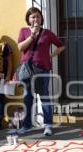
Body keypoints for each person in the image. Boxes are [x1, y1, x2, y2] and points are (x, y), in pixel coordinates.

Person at [17, 7, 65, 136]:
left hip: (43, 69)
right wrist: (32, 36)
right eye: (32, 17)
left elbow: (61, 45)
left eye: (38, 16)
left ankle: (48, 125)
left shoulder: (47, 33)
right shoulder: (24, 31)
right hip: (27, 70)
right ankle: (26, 125)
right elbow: (20, 47)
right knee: (27, 98)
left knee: (44, 97)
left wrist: (51, 55)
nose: (35, 19)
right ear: (28, 19)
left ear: (41, 18)